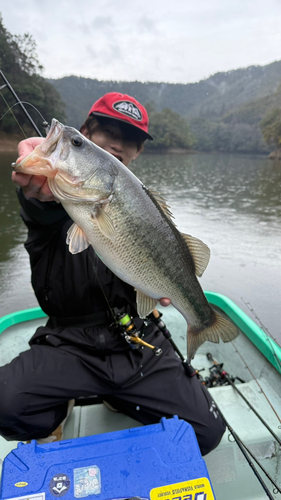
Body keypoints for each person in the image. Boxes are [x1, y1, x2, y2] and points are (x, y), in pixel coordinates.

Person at [0, 92, 225, 455]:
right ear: (87, 132)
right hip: (69, 342)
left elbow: (162, 258)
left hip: (136, 338)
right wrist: (37, 187)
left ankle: (120, 399)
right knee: (6, 403)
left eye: (132, 139)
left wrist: (160, 286)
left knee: (207, 432)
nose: (120, 143)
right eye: (107, 132)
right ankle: (55, 411)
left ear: (139, 151)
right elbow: (40, 206)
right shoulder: (58, 194)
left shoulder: (138, 202)